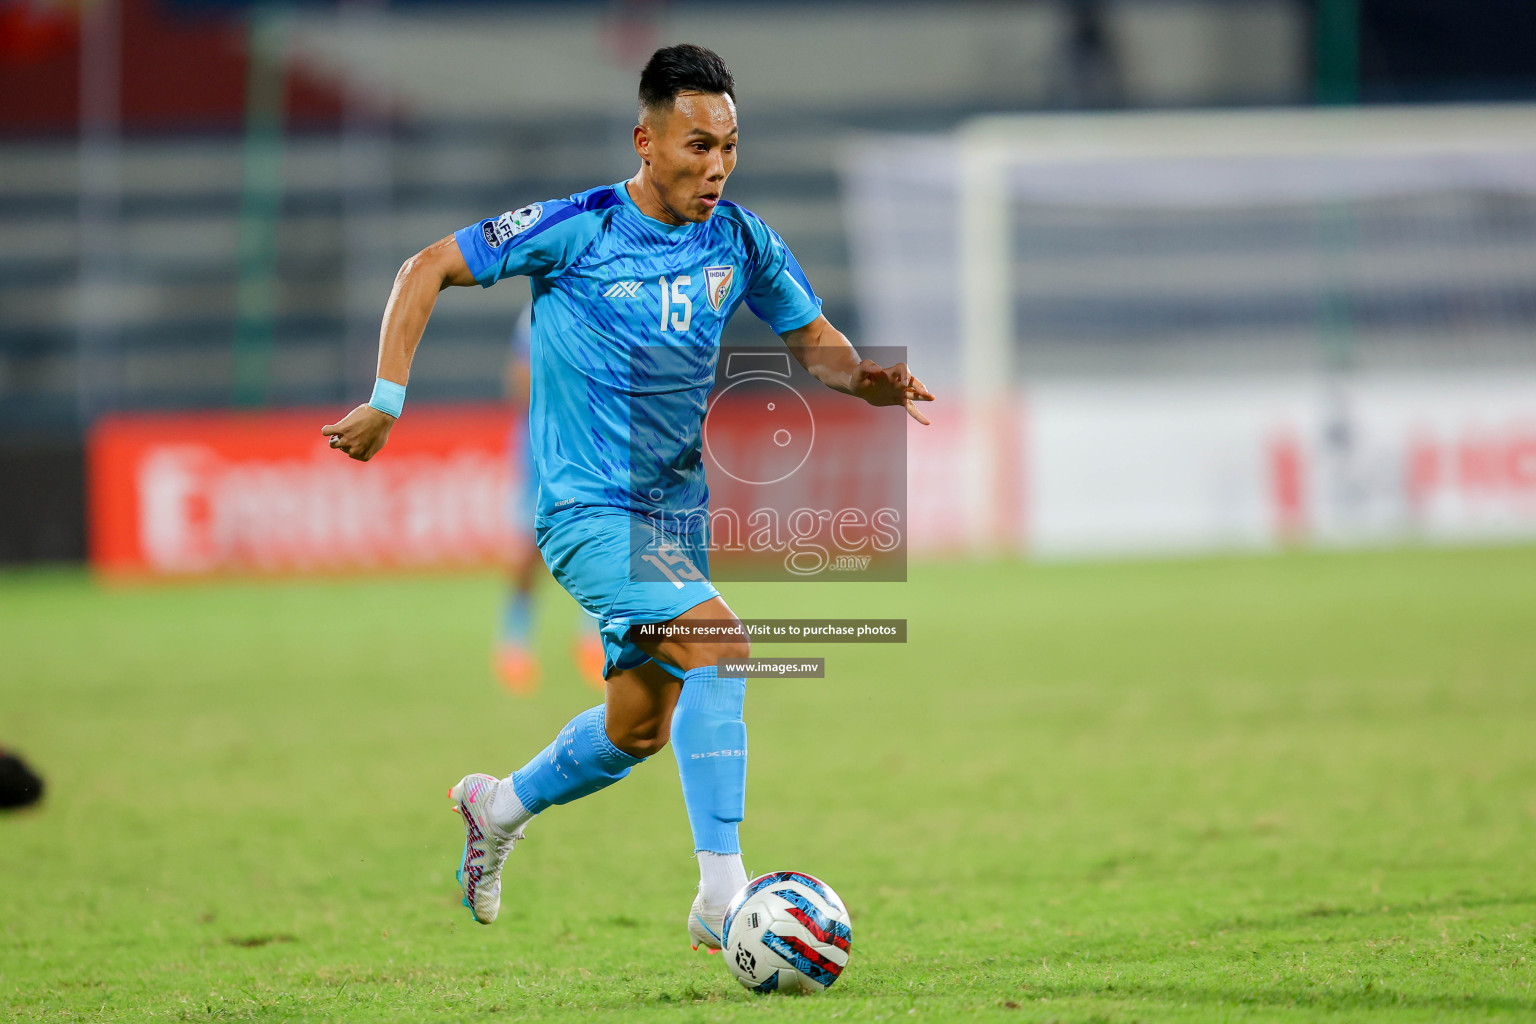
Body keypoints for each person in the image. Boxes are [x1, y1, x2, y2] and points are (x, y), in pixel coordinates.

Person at [320, 43, 932, 951]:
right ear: (645, 140)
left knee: (639, 727)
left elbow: (815, 345)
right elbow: (426, 267)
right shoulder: (580, 227)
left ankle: (497, 807)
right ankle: (723, 896)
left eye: (728, 145)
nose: (716, 166)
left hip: (677, 518)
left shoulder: (744, 240)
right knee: (722, 647)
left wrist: (866, 378)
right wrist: (386, 401)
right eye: (696, 146)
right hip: (586, 513)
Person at [494, 302, 606, 695]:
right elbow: (518, 379)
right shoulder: (540, 308)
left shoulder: (609, 300)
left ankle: (592, 641)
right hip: (542, 443)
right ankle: (514, 641)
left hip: (592, 442)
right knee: (531, 543)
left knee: (598, 535)